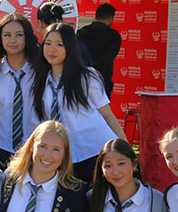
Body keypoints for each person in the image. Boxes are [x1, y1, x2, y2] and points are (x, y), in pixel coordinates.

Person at [32, 23, 125, 185]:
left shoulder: (86, 77)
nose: (52, 49)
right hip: (65, 158)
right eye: (48, 43)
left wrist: (126, 149)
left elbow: (107, 115)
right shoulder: (40, 81)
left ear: (70, 48)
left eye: (59, 45)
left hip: (96, 152)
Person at [0, 14, 41, 169]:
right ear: (0, 39)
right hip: (0, 147)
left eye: (19, 35)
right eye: (7, 35)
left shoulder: (40, 71)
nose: (13, 40)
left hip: (34, 148)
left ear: (27, 38)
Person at [76, 3, 122, 98]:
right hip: (102, 80)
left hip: (81, 78)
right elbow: (108, 58)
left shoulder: (81, 33)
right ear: (110, 19)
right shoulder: (113, 36)